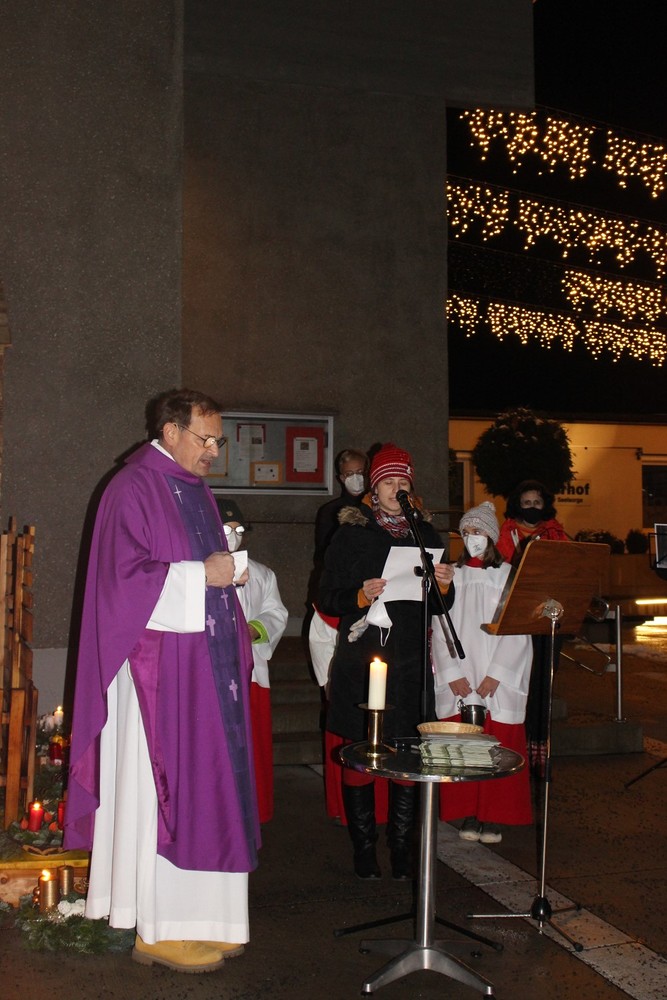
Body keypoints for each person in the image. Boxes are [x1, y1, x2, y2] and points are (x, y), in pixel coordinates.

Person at [64, 388, 261, 974]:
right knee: (167, 792)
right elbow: (121, 581)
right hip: (157, 675)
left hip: (204, 670)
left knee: (212, 787)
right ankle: (161, 929)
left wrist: (225, 575)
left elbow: (201, 571)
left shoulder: (195, 489)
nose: (214, 451)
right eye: (206, 439)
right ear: (171, 432)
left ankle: (211, 921)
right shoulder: (133, 487)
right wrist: (202, 575)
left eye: (218, 441)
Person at [318, 443, 454, 880]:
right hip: (364, 658)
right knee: (362, 749)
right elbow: (327, 597)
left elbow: (441, 607)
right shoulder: (350, 535)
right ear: (373, 490)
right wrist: (360, 595)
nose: (397, 489)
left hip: (410, 662)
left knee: (407, 754)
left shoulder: (426, 535)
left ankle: (400, 848)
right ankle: (364, 848)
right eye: (388, 482)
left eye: (403, 481)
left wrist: (444, 586)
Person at [432, 501, 533, 844]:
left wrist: (498, 673)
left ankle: (494, 815)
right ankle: (469, 813)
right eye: (465, 532)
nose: (471, 537)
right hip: (462, 674)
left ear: (490, 536)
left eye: (477, 531)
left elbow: (517, 629)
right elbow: (440, 625)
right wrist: (451, 672)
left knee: (498, 745)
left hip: (495, 675)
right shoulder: (452, 575)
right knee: (466, 746)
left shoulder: (508, 576)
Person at [219, 498, 288, 824]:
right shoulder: (199, 571)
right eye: (226, 530)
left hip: (250, 674)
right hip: (212, 674)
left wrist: (255, 629)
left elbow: (276, 612)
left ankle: (251, 814)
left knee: (251, 746)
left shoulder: (260, 574)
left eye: (238, 530)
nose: (233, 537)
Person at [497, 480, 570, 775]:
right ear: (517, 505)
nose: (531, 508)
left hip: (548, 620)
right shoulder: (504, 535)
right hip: (518, 620)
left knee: (543, 686)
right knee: (519, 684)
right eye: (526, 503)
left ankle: (541, 750)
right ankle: (521, 749)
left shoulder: (556, 533)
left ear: (545, 505)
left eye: (536, 503)